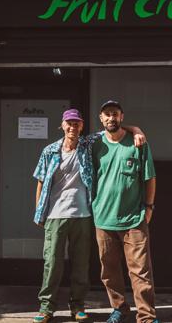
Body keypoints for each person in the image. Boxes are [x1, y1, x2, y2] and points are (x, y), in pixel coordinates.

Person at [32, 108, 145, 323]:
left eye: (77, 123)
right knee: (52, 263)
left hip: (83, 214)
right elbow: (40, 182)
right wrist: (40, 212)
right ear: (62, 125)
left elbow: (112, 128)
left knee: (80, 264)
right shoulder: (49, 151)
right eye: (69, 123)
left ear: (81, 126)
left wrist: (136, 129)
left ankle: (78, 306)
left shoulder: (88, 144)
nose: (73, 127)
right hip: (55, 215)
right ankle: (46, 308)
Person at [91, 100, 158, 323]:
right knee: (109, 271)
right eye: (107, 114)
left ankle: (146, 317)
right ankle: (119, 308)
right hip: (104, 218)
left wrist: (148, 207)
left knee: (140, 271)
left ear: (122, 117)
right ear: (101, 119)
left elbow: (149, 177)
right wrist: (135, 127)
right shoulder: (93, 144)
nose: (111, 118)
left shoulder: (138, 143)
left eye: (115, 114)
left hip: (134, 219)